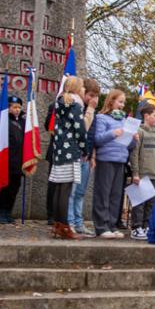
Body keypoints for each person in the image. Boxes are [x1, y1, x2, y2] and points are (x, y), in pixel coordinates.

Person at [93, 89, 136, 238]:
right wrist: (113, 133)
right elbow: (97, 139)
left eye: (123, 102)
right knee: (103, 193)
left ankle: (112, 225)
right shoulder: (101, 118)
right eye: (120, 101)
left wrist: (133, 138)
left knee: (116, 195)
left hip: (120, 160)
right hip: (106, 159)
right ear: (111, 101)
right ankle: (101, 226)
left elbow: (129, 146)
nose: (122, 105)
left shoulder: (124, 120)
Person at [48, 76, 87, 240]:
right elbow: (79, 128)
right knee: (66, 189)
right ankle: (64, 227)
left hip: (59, 149)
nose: (84, 90)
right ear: (77, 88)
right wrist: (84, 147)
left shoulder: (60, 102)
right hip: (71, 149)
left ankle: (57, 224)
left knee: (59, 188)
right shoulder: (76, 104)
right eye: (83, 87)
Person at [67, 78, 99, 235]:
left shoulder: (93, 111)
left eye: (95, 96)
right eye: (90, 94)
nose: (92, 99)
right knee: (72, 192)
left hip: (86, 156)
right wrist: (90, 110)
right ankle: (70, 222)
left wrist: (93, 154)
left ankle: (79, 222)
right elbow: (82, 130)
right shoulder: (78, 107)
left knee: (80, 192)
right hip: (74, 155)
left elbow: (91, 135)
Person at [129, 104, 155, 239]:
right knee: (140, 203)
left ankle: (146, 226)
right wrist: (135, 173)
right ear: (146, 116)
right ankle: (136, 227)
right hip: (143, 173)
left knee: (151, 203)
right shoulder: (139, 131)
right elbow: (135, 154)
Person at [0, 95, 25, 224]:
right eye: (14, 107)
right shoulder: (3, 120)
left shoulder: (23, 123)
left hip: (19, 162)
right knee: (5, 188)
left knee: (14, 188)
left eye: (18, 107)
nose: (17, 109)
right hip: (7, 161)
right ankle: (0, 211)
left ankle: (8, 211)